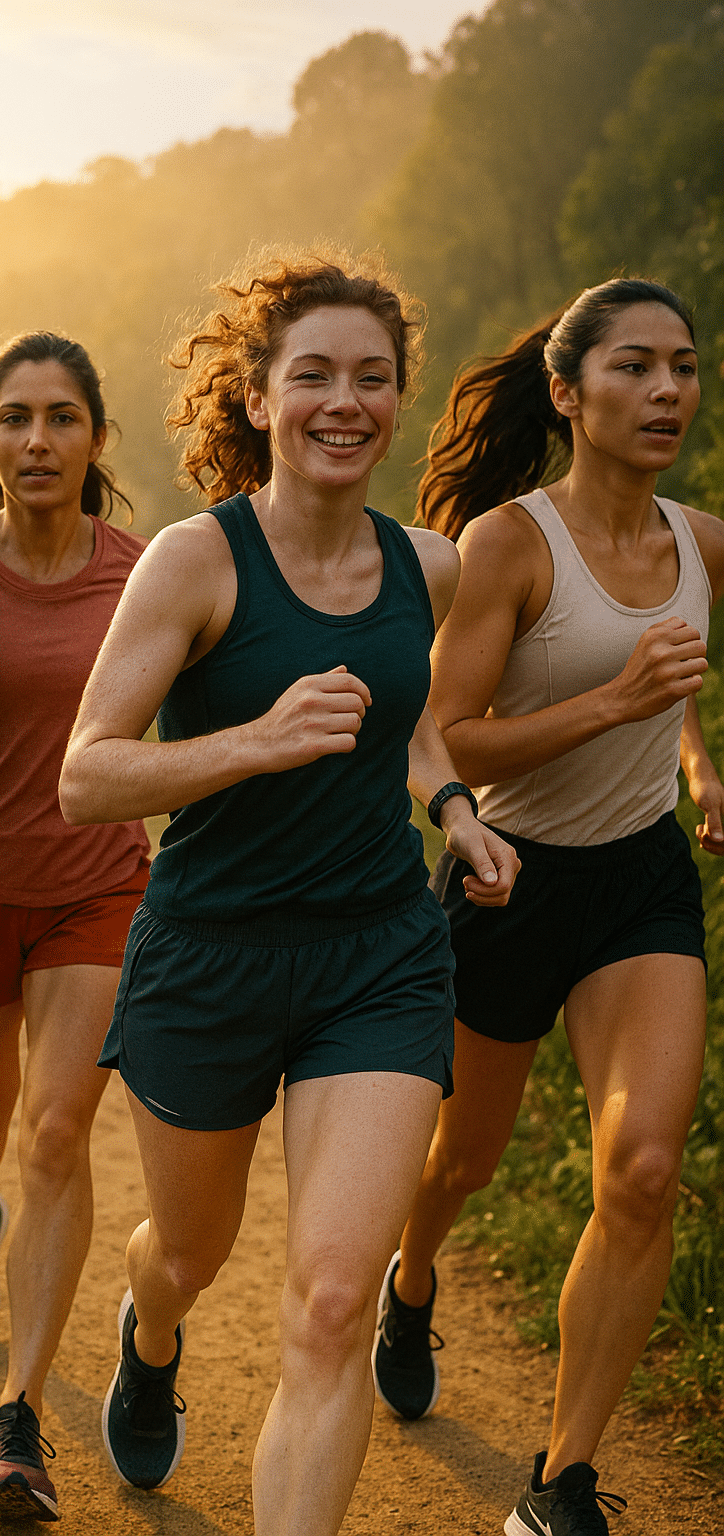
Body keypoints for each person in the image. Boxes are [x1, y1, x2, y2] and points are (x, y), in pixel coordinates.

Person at [58, 251, 519, 1536]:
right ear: (256, 399)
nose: (343, 401)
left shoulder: (425, 565)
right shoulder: (195, 566)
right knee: (189, 1255)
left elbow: (414, 731)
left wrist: (456, 814)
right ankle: (150, 1333)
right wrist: (251, 741)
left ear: (396, 400)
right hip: (209, 957)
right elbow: (85, 778)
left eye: (371, 379)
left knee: (327, 1304)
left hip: (375, 957)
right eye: (310, 374)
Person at [369, 277, 723, 1536]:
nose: (667, 390)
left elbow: (668, 669)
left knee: (639, 1169)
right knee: (462, 1157)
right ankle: (410, 1279)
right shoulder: (509, 547)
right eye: (633, 367)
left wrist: (695, 761)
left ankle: (558, 1482)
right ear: (567, 395)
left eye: (681, 366)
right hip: (502, 875)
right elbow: (449, 737)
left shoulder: (701, 541)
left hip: (638, 877)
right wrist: (618, 705)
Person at [0, 331, 149, 1523]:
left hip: (97, 886)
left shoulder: (144, 571)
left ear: (96, 438)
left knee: (56, 1130)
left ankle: (19, 1421)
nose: (38, 440)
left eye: (62, 417)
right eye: (16, 417)